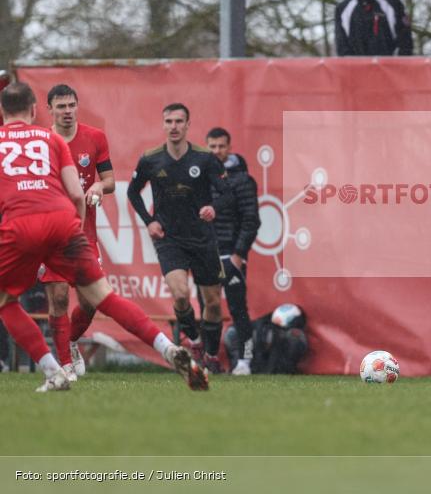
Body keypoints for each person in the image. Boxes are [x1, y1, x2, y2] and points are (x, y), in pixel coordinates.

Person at [0, 83, 206, 392]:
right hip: (64, 223)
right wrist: (76, 231)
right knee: (105, 297)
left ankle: (52, 371)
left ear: (3, 112)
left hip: (19, 225)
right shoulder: (52, 138)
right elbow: (75, 194)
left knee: (5, 301)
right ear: (34, 110)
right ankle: (168, 348)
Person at [127, 103, 232, 373]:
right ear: (163, 125)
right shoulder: (151, 159)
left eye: (178, 121)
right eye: (169, 121)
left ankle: (210, 354)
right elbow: (133, 192)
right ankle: (194, 340)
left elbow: (227, 193)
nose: (173, 126)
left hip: (202, 238)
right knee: (180, 294)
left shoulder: (205, 158)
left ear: (187, 125)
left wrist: (213, 208)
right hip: (169, 238)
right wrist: (149, 221)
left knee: (211, 302)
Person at [38, 84, 115, 382]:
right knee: (57, 298)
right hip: (50, 234)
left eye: (71, 105)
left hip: (84, 233)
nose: (67, 111)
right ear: (50, 109)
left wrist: (98, 186)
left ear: (77, 105)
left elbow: (110, 180)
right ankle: (65, 364)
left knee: (90, 301)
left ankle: (70, 341)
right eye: (61, 107)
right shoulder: (42, 142)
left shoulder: (95, 137)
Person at [205, 127, 261, 376]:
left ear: (229, 147)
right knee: (209, 307)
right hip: (206, 253)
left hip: (232, 255)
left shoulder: (242, 180)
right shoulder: (202, 177)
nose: (217, 151)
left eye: (221, 146)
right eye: (212, 146)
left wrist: (239, 254)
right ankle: (211, 358)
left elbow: (251, 220)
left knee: (238, 308)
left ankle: (245, 361)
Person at [334, 0, 413, 57]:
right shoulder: (342, 9)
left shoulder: (392, 3)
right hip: (357, 68)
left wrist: (399, 63)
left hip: (389, 67)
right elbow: (341, 44)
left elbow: (405, 40)